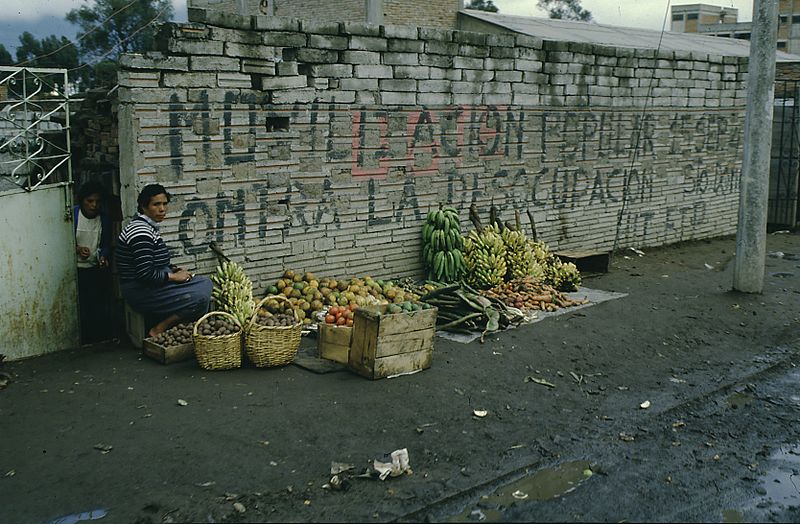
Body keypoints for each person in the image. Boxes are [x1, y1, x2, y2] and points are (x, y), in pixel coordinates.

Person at [117, 184, 213, 337]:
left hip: (154, 284)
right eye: (156, 204)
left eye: (164, 204)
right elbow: (145, 274)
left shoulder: (148, 227)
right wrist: (174, 277)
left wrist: (173, 269)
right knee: (199, 296)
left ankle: (182, 327)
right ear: (144, 206)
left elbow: (152, 261)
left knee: (205, 283)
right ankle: (160, 328)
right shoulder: (140, 232)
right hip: (141, 290)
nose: (162, 209)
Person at [74, 181, 113, 343]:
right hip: (75, 270)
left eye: (97, 201)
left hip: (94, 269)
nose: (94, 205)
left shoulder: (104, 219)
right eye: (89, 201)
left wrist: (103, 256)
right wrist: (77, 249)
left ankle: (97, 339)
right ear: (82, 200)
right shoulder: (74, 215)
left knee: (96, 305)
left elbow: (105, 245)